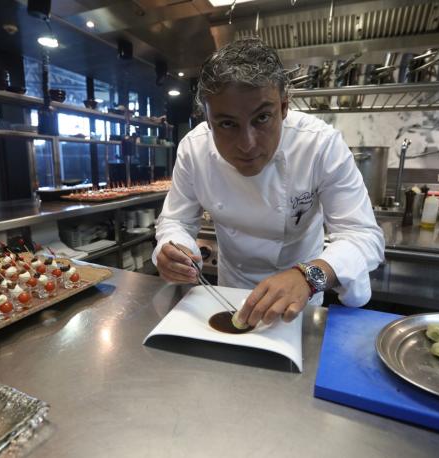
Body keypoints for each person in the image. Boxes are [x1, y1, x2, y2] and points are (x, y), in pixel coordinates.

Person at [152, 38, 384, 328]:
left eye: (262, 118)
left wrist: (308, 275)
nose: (247, 145)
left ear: (284, 107)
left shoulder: (320, 144)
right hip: (230, 292)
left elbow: (363, 236)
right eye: (227, 124)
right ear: (208, 120)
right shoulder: (193, 149)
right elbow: (176, 221)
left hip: (300, 299)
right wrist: (175, 248)